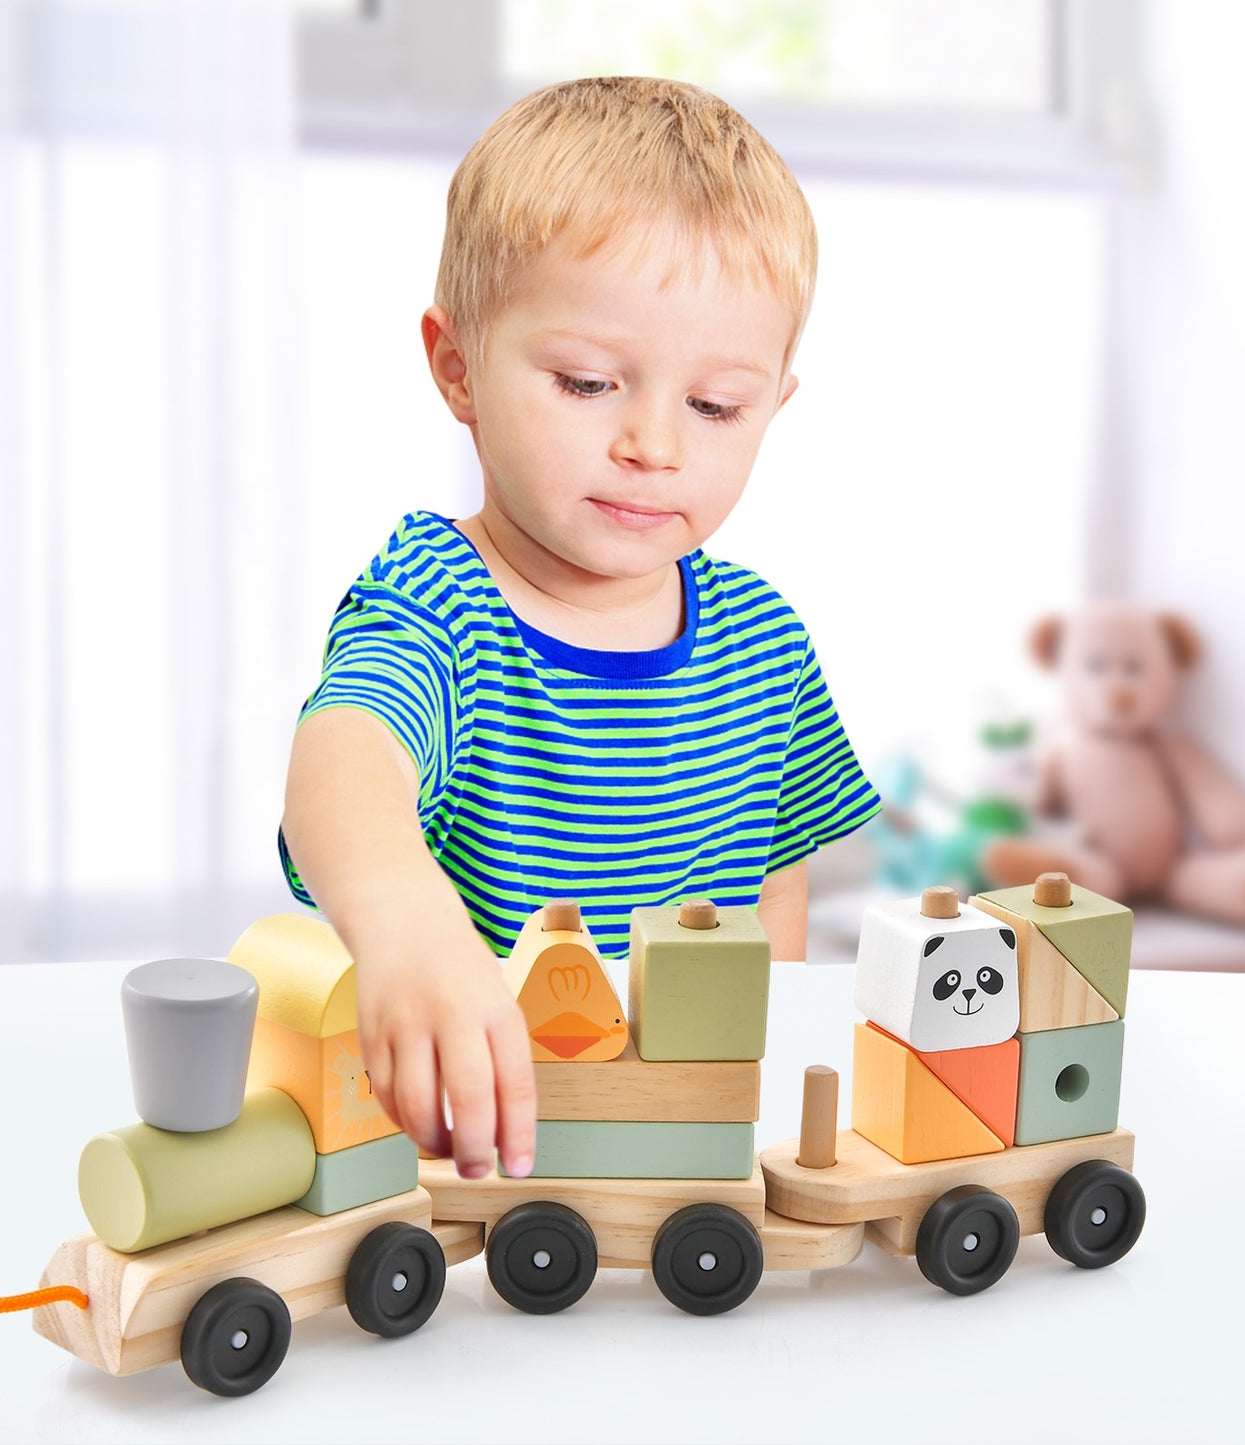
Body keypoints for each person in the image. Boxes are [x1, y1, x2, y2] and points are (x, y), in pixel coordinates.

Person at [280, 76, 879, 1184]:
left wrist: (762, 1060)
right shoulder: (436, 603)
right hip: (478, 1154)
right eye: (589, 382)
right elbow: (342, 760)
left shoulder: (762, 637)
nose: (653, 443)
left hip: (686, 1143)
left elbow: (778, 880)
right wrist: (410, 932)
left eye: (714, 406)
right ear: (457, 367)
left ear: (775, 405)